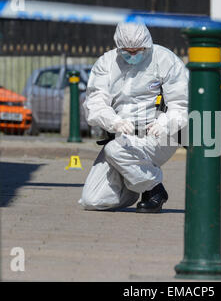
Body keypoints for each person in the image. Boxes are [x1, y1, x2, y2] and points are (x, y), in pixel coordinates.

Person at [79, 22, 188, 213]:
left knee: (114, 149)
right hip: (123, 135)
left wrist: (164, 123)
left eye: (138, 51)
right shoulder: (106, 63)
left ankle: (154, 190)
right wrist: (114, 122)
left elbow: (182, 103)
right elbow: (95, 103)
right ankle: (136, 184)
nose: (133, 56)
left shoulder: (165, 60)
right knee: (92, 200)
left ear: (147, 44)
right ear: (118, 46)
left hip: (158, 135)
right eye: (127, 51)